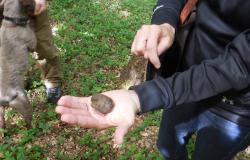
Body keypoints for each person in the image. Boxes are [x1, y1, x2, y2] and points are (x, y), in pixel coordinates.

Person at [56, 0, 250, 159]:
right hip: (183, 79)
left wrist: (142, 97)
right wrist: (165, 20)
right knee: (167, 146)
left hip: (237, 107)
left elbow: (239, 64)